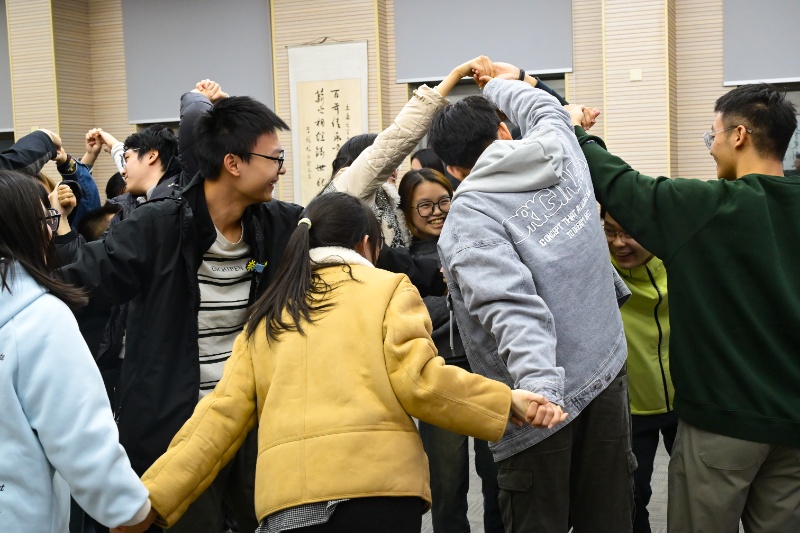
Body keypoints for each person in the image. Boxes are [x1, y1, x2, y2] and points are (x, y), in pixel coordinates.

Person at [114, 192, 557, 533]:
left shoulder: (267, 313)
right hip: (379, 494)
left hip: (287, 504)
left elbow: (217, 418)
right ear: (367, 244)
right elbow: (420, 382)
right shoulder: (387, 288)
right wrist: (506, 401)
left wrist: (149, 500)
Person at [60, 93, 300, 533]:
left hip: (249, 425)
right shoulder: (161, 223)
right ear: (233, 163)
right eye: (275, 158)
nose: (281, 169)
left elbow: (338, 229)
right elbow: (83, 278)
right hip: (177, 432)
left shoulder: (272, 225)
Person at [570, 83, 800, 532]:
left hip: (721, 421)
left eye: (713, 135)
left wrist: (577, 131)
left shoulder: (707, 208)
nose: (711, 147)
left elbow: (618, 184)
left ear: (739, 136)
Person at [428, 61, 633, 532]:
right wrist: (501, 82)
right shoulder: (559, 146)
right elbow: (543, 106)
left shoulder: (470, 217)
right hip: (605, 369)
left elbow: (510, 306)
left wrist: (541, 388)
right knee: (609, 517)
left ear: (452, 170)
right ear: (504, 130)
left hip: (539, 410)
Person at [0, 171, 151, 532]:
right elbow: (81, 438)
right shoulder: (37, 316)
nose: (50, 232)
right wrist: (130, 510)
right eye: (47, 221)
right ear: (25, 230)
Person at [398, 168, 504, 533]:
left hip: (488, 367)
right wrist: (454, 298)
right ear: (407, 212)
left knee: (497, 475)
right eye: (424, 205)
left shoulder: (474, 239)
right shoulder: (403, 260)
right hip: (438, 373)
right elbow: (412, 318)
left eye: (444, 201)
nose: (437, 212)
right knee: (446, 482)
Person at [322, 56, 492, 249]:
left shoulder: (388, 204)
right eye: (425, 205)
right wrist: (457, 74)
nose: (393, 169)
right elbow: (397, 137)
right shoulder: (349, 188)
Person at [602, 209, 676, 533]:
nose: (619, 243)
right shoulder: (597, 270)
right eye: (610, 231)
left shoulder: (680, 262)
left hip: (686, 402)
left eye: (629, 232)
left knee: (697, 495)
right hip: (629, 407)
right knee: (630, 500)